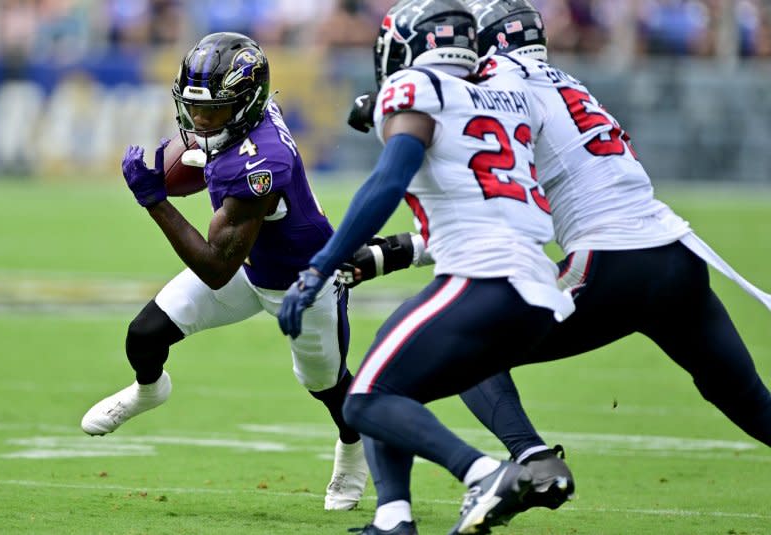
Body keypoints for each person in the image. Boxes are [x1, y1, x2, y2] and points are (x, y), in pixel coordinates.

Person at [343, 0, 771, 514]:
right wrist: (394, 252)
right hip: (674, 255)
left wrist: (387, 102)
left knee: (471, 340)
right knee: (749, 400)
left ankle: (533, 460)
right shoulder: (564, 82)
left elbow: (488, 204)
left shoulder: (496, 87)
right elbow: (515, 207)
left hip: (611, 261)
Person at [277, 1, 576, 534]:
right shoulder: (509, 95)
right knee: (392, 382)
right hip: (535, 282)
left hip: (480, 274)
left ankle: (486, 473)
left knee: (366, 397)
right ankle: (396, 517)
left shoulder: (415, 88)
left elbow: (387, 183)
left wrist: (320, 266)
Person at [79, 32, 369, 512]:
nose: (200, 119)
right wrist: (176, 168)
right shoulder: (240, 118)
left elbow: (215, 268)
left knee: (326, 384)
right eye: (195, 107)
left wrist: (155, 201)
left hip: (302, 280)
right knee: (145, 334)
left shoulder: (263, 161)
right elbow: (206, 162)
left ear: (245, 104)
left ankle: (353, 450)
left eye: (213, 110)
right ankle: (149, 390)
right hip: (248, 263)